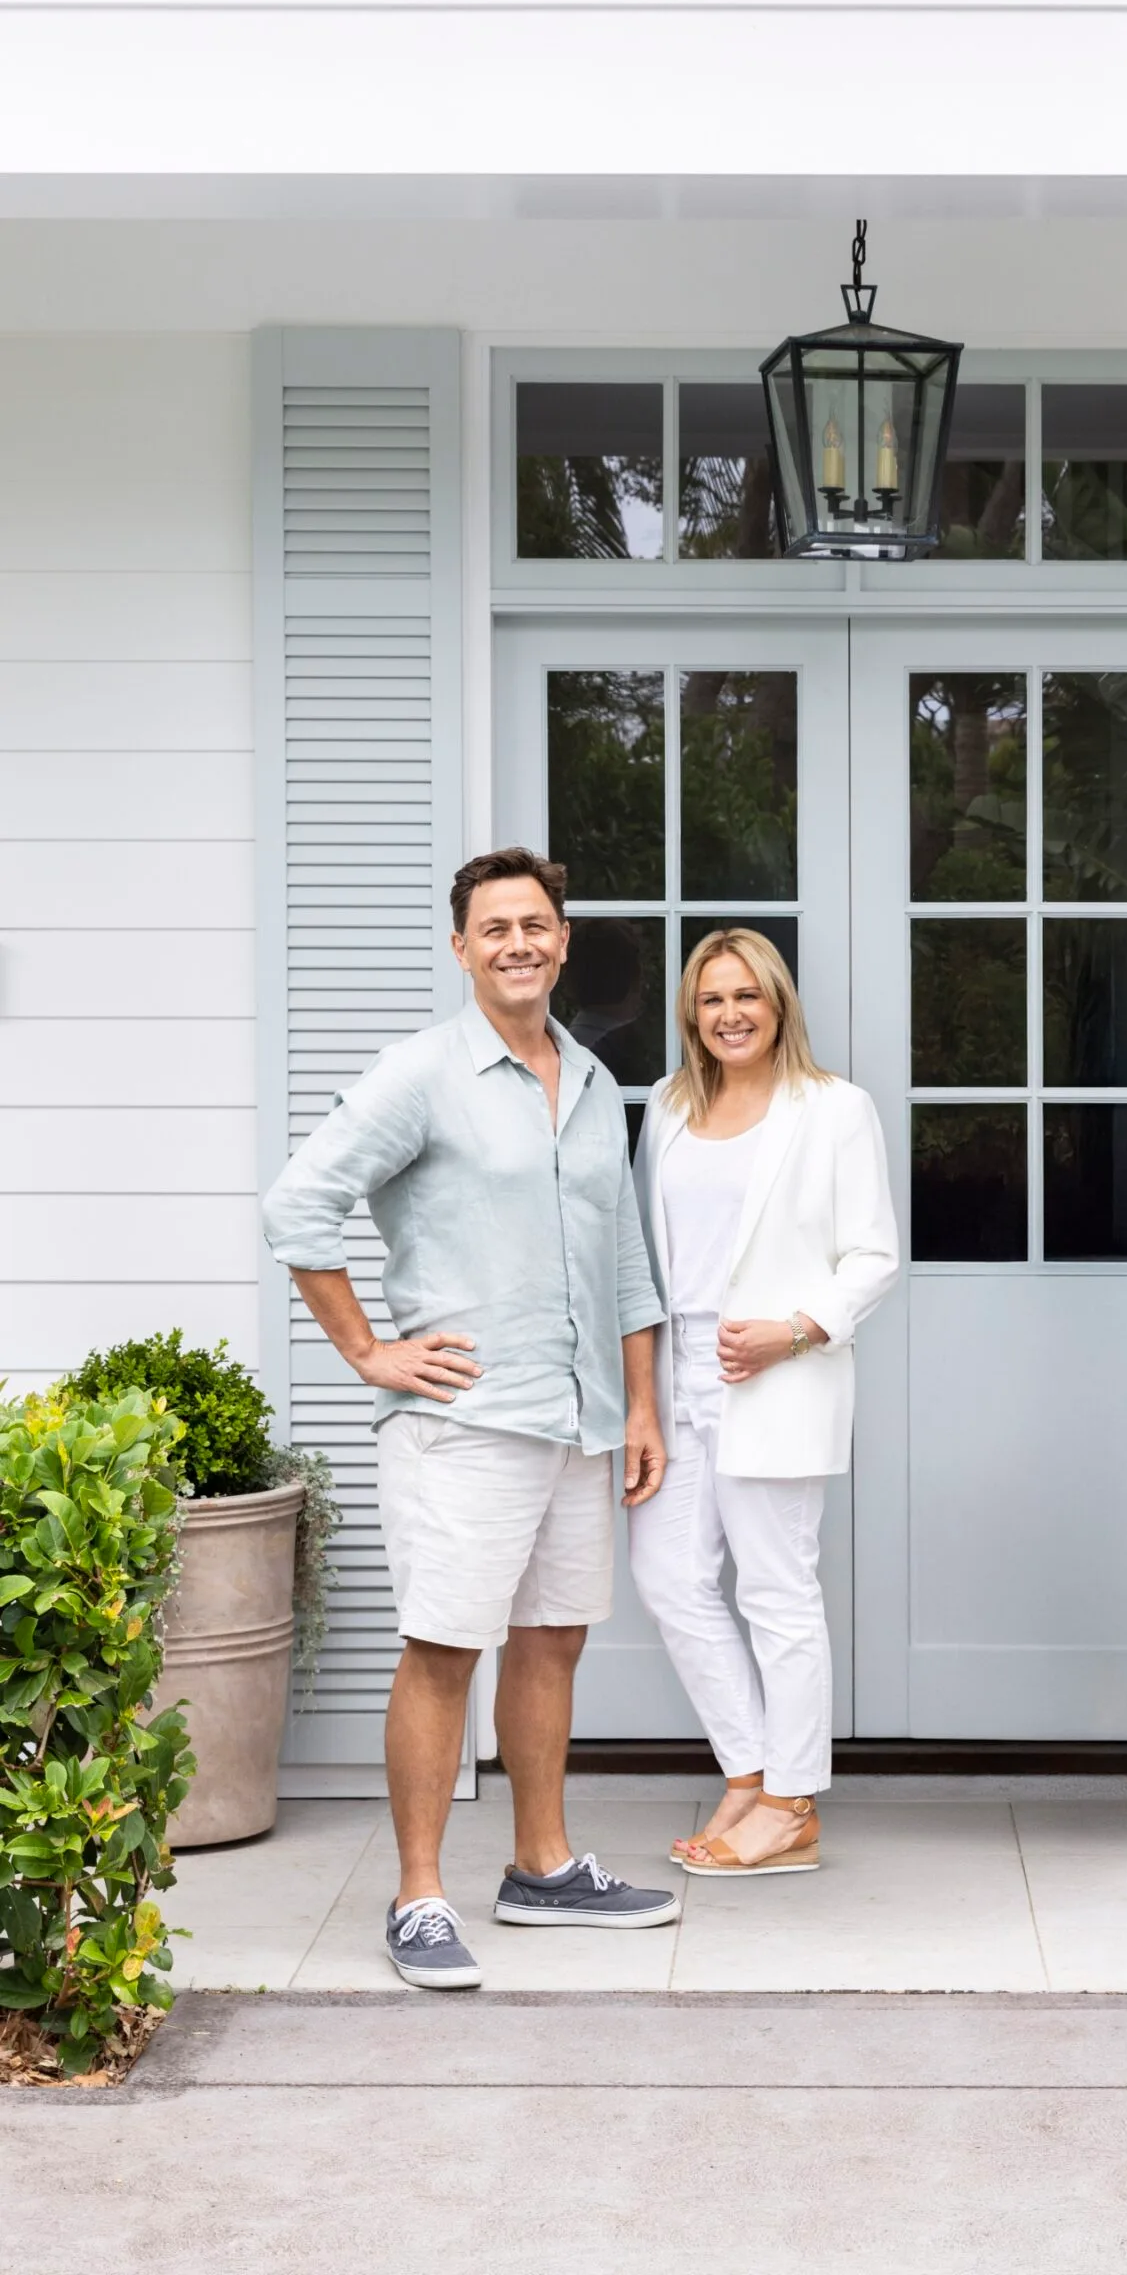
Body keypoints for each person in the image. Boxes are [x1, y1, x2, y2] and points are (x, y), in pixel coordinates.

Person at [261, 847, 680, 1990]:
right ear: (461, 948)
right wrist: (367, 1350)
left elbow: (625, 1261)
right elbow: (300, 1205)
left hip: (576, 1418)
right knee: (445, 1646)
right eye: (494, 927)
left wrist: (640, 1405)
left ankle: (542, 1865)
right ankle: (420, 1893)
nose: (518, 943)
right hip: (465, 1420)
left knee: (552, 1639)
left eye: (536, 924)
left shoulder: (592, 1082)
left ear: (562, 939)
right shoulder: (421, 1073)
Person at [629, 929, 899, 1876]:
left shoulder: (833, 1110)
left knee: (777, 1595)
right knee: (669, 1579)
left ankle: (791, 1806)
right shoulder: (667, 1108)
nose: (730, 1014)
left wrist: (796, 1328)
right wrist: (642, 1401)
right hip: (679, 1377)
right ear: (690, 1014)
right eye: (711, 1000)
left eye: (747, 995)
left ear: (778, 1003)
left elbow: (874, 1254)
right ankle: (749, 1771)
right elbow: (644, 1264)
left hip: (776, 1376)